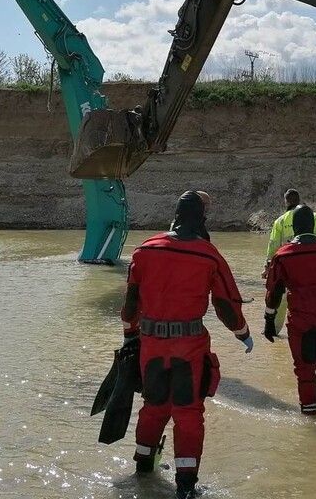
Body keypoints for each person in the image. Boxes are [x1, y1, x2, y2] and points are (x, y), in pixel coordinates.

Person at [121, 190, 254, 499]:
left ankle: (143, 469)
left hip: (151, 344)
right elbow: (226, 306)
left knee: (153, 407)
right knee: (188, 412)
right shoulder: (208, 254)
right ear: (202, 218)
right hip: (189, 346)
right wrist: (243, 333)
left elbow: (130, 304)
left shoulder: (145, 250)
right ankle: (186, 486)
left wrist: (130, 334)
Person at [263, 204, 316, 414]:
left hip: (300, 320)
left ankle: (310, 413)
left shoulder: (284, 255)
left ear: (294, 227)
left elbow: (274, 292)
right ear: (312, 224)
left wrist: (269, 320)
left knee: (304, 367)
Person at [265, 189, 316, 334]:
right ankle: (310, 328)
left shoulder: (281, 220)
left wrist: (268, 267)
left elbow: (273, 245)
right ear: (299, 200)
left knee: (280, 297)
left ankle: (273, 330)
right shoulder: (314, 216)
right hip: (311, 264)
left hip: (287, 265)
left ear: (286, 201)